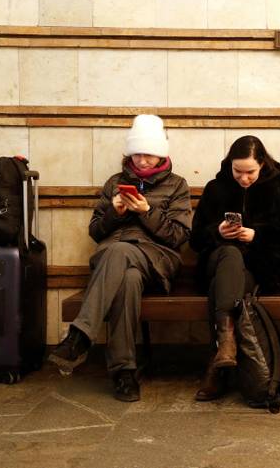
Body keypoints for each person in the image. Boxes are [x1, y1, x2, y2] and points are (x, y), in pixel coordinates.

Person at [49, 114, 191, 402]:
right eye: (137, 154)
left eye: (148, 154)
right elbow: (95, 231)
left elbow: (178, 236)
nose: (142, 161)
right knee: (128, 278)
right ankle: (124, 372)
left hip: (157, 261)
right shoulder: (114, 183)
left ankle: (80, 336)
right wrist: (115, 213)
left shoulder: (177, 185)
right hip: (115, 265)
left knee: (119, 251)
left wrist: (146, 212)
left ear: (160, 153)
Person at [189, 135, 280, 402]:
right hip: (218, 261)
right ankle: (226, 349)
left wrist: (257, 236)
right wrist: (217, 232)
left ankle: (220, 361)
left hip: (259, 266)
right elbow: (195, 240)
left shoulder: (279, 189)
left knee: (225, 286)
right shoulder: (216, 189)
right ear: (230, 164)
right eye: (237, 171)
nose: (243, 178)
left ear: (262, 164)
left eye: (250, 172)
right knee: (229, 255)